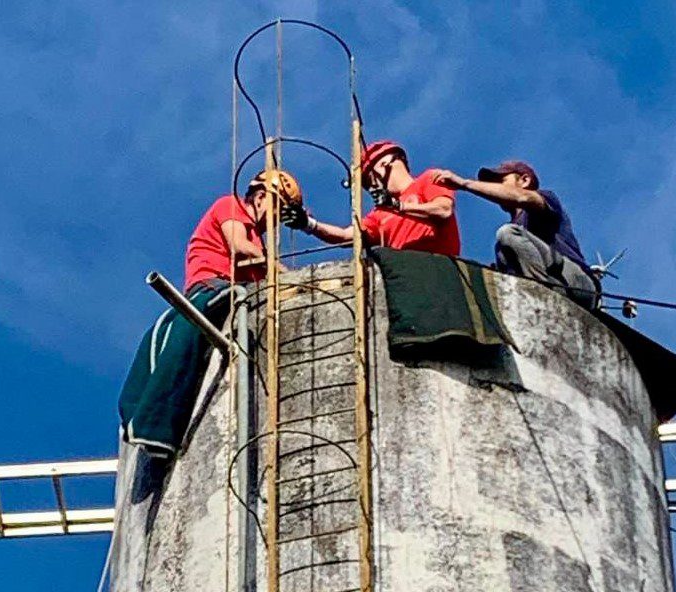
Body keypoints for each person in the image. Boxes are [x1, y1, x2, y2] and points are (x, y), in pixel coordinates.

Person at [119, 171, 301, 459]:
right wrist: (284, 273)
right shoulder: (230, 206)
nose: (275, 221)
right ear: (261, 196)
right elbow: (238, 247)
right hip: (213, 283)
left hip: (235, 286)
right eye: (277, 209)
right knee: (184, 335)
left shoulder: (258, 239)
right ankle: (156, 420)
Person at [432, 161, 600, 309]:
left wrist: (464, 183)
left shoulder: (544, 199)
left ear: (524, 180)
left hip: (577, 284)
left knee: (507, 234)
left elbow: (522, 198)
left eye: (501, 181)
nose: (496, 188)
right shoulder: (509, 243)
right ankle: (535, 297)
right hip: (558, 287)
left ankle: (540, 295)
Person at [281, 140, 460, 256]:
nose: (371, 188)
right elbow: (347, 236)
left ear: (385, 164)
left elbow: (443, 210)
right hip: (408, 277)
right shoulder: (380, 214)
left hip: (441, 269)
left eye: (369, 180)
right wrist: (308, 224)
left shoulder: (429, 179)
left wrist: (399, 205)